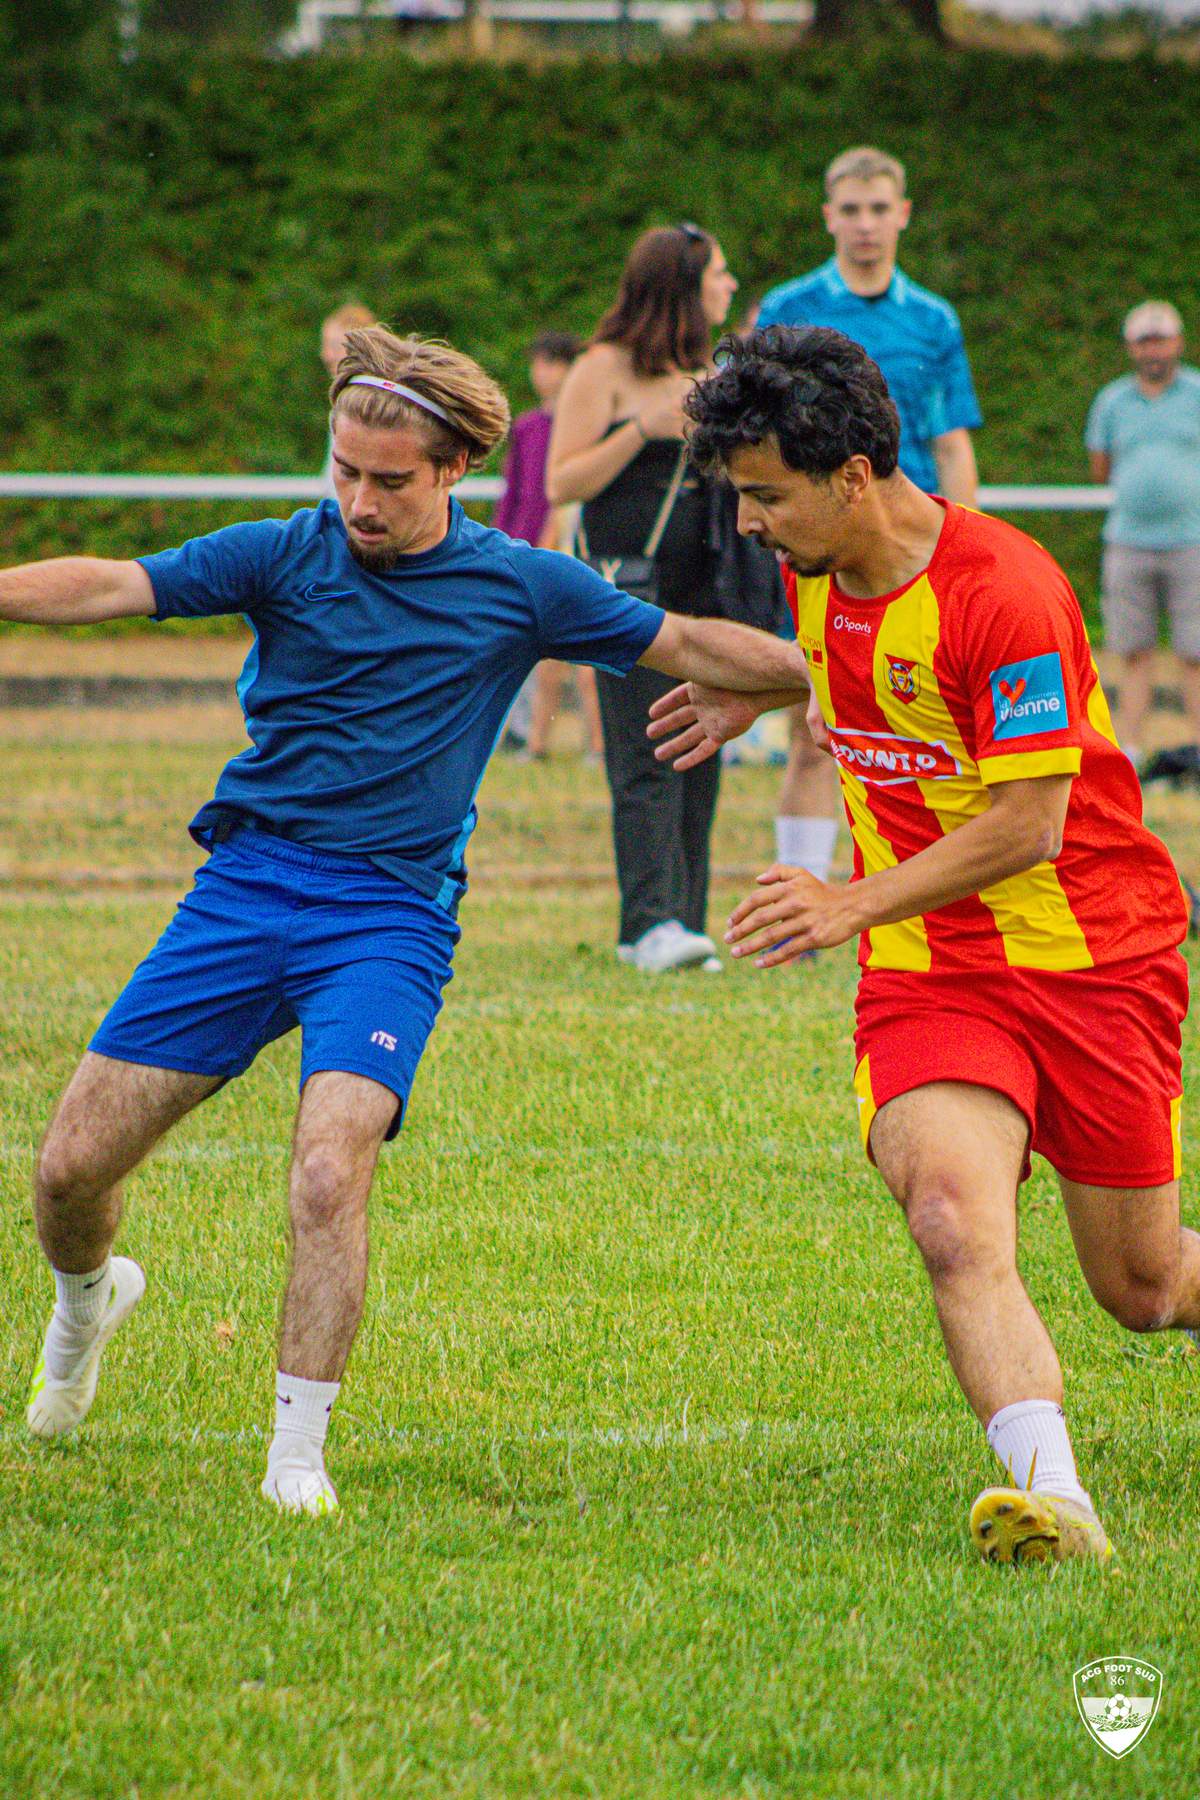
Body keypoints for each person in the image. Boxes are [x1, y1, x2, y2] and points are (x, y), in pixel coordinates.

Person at [15, 327, 815, 1517]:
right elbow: (113, 584)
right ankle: (89, 1301)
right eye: (344, 471)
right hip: (244, 892)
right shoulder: (284, 553)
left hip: (388, 915)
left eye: (389, 480)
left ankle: (297, 1454)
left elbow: (690, 643)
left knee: (329, 1171)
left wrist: (818, 672)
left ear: (453, 473)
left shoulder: (520, 583)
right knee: (70, 1171)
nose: (360, 501)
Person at [651, 325, 1197, 1565]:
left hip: (1094, 957)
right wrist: (779, 688)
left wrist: (845, 901)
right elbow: (863, 663)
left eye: (767, 497)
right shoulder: (815, 565)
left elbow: (1030, 823)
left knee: (1145, 1288)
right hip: (932, 969)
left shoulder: (1006, 589)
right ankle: (1057, 1503)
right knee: (953, 1216)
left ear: (853, 477)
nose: (750, 525)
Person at [757, 146, 983, 898]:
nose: (865, 225)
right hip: (821, 546)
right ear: (829, 218)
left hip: (914, 547)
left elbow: (953, 445)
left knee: (933, 727)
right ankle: (801, 894)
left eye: (879, 208)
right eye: (850, 210)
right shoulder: (789, 307)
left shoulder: (933, 319)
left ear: (903, 215)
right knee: (819, 727)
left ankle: (925, 884)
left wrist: (970, 555)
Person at [546, 223, 740, 973]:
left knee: (703, 745)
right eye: (717, 275)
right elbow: (563, 481)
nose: (727, 287)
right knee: (645, 751)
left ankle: (686, 919)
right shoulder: (605, 368)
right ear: (683, 286)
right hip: (629, 589)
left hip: (707, 586)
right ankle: (646, 922)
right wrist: (641, 429)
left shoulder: (711, 370)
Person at [1086, 300, 1200, 774]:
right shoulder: (1112, 401)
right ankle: (1129, 753)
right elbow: (1101, 468)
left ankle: (1196, 751)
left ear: (1178, 342)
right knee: (1131, 652)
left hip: (1192, 542)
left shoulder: (1196, 393)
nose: (1153, 349)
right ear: (1132, 347)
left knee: (1196, 654)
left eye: (1161, 338)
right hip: (1129, 542)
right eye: (1144, 340)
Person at [492, 330, 602, 760]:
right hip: (525, 551)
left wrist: (553, 539)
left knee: (588, 657)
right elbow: (513, 492)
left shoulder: (587, 426)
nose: (544, 373)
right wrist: (504, 542)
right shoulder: (527, 427)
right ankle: (534, 741)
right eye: (539, 363)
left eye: (553, 363)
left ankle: (598, 745)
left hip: (574, 548)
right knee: (542, 656)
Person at [319, 302, 376, 489]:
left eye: (335, 346)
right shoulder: (343, 401)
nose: (327, 356)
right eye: (325, 346)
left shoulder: (375, 405)